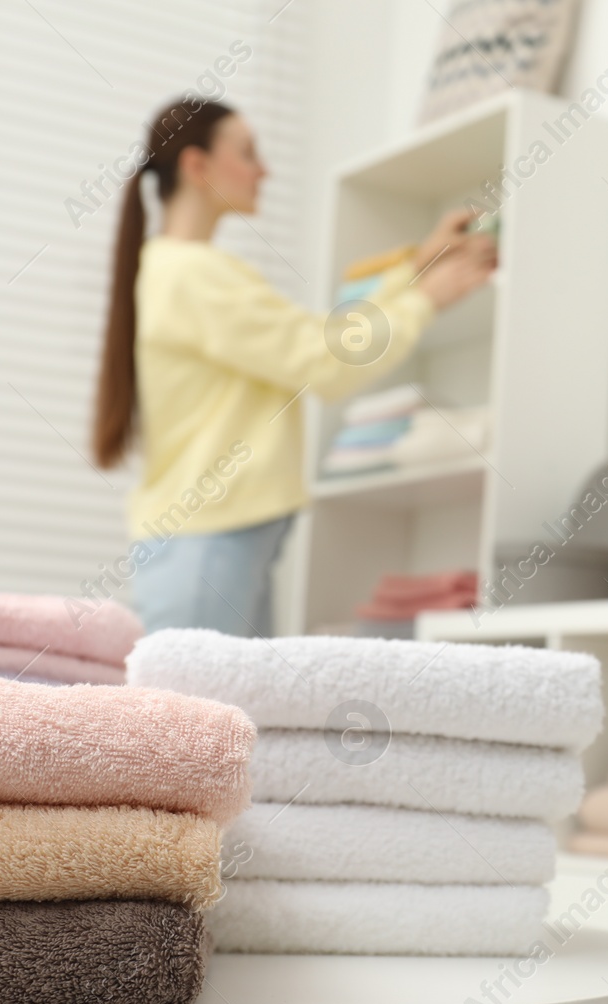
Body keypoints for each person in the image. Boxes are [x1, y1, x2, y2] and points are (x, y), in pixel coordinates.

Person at [92, 98, 495, 636]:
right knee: (203, 718)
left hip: (215, 539)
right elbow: (323, 358)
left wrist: (415, 272)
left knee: (231, 718)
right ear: (197, 166)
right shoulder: (191, 274)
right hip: (210, 541)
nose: (265, 170)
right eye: (248, 153)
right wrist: (424, 298)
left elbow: (315, 341)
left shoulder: (181, 271)